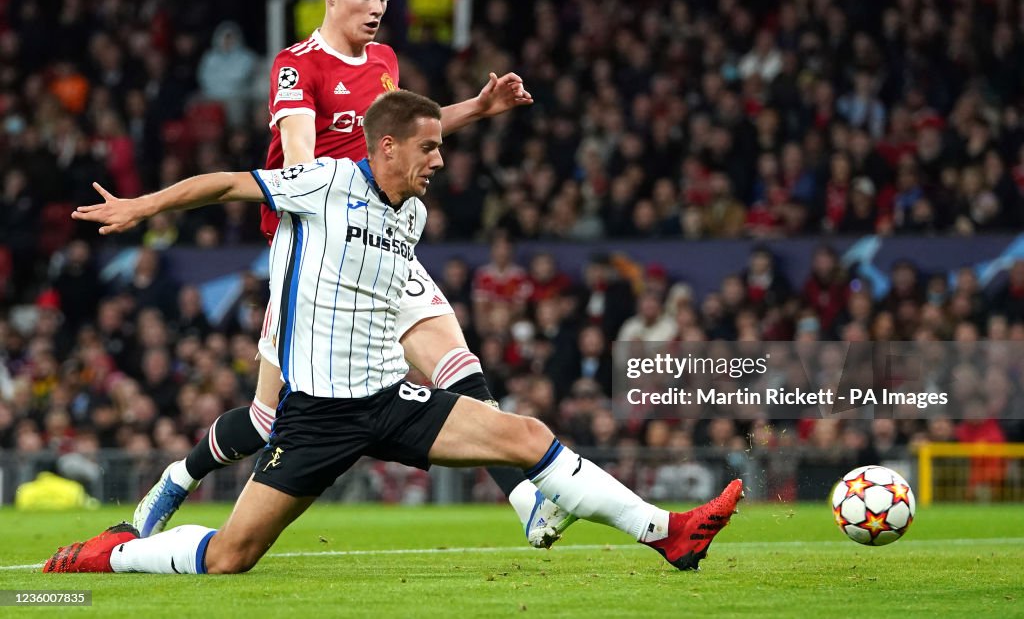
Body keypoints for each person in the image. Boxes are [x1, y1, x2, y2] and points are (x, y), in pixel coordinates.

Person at [47, 90, 743, 574]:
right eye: (430, 148)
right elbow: (228, 184)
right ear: (386, 147)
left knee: (525, 434)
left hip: (389, 397)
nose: (441, 160)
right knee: (232, 554)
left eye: (441, 147)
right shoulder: (322, 183)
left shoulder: (410, 214)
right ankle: (114, 551)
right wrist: (143, 206)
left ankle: (668, 532)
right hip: (318, 414)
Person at [131, 0, 569, 549]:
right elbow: (303, 161)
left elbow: (406, 133)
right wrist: (342, 193)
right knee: (265, 420)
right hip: (314, 252)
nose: (377, 8)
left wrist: (479, 107)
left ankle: (527, 502)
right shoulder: (296, 65)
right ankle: (177, 478)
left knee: (456, 363)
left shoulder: (385, 61)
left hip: (381, 241)